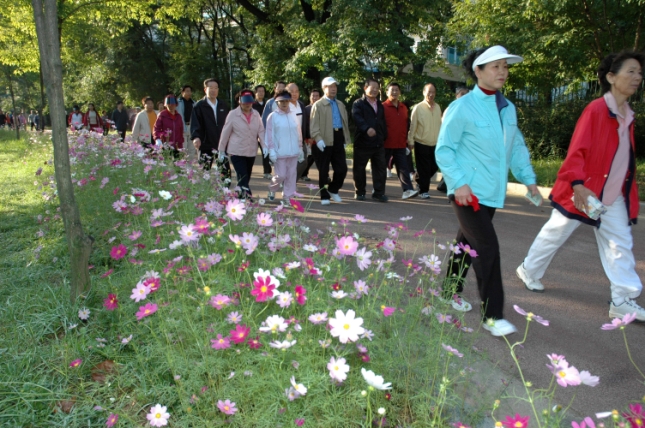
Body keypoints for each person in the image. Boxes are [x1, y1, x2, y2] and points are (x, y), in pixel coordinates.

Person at [516, 51, 645, 321]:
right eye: (630, 71)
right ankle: (529, 270)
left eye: (639, 73)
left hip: (612, 195)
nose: (637, 77)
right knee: (556, 233)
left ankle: (622, 299)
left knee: (619, 244)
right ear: (611, 77)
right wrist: (577, 184)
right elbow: (577, 150)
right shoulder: (597, 109)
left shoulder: (627, 114)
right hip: (583, 191)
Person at [436, 45, 541, 337]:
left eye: (505, 66)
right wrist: (458, 183)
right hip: (466, 193)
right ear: (477, 71)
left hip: (490, 192)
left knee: (466, 244)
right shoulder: (462, 107)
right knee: (487, 248)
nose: (503, 72)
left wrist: (529, 179)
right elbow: (444, 150)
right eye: (495, 66)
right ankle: (492, 315)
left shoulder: (507, 108)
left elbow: (516, 147)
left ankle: (448, 292)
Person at [218, 89, 266, 200]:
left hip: (251, 151)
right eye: (245, 102)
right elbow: (225, 133)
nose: (248, 104)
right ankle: (247, 197)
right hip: (236, 151)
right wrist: (221, 150)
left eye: (250, 102)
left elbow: (261, 131)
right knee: (242, 175)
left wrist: (265, 147)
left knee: (246, 176)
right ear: (239, 101)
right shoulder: (233, 114)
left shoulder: (256, 114)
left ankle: (239, 195)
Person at [310, 77, 350, 205]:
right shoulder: (318, 105)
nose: (333, 89)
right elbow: (314, 125)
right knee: (323, 169)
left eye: (335, 86)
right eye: (330, 86)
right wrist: (318, 138)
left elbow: (345, 122)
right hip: (324, 139)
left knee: (342, 169)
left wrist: (344, 138)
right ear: (324, 88)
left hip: (338, 137)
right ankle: (324, 195)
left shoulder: (340, 104)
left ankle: (333, 189)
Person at [351, 78, 388, 202]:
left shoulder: (380, 105)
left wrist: (383, 135)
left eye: (377, 88)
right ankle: (360, 192)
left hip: (378, 142)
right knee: (359, 169)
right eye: (372, 88)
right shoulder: (358, 103)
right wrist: (366, 129)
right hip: (362, 142)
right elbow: (357, 118)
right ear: (365, 88)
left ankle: (379, 192)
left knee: (380, 169)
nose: (375, 90)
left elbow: (382, 122)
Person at [266, 90, 303, 201]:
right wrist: (271, 150)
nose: (284, 103)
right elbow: (269, 134)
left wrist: (300, 147)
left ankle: (288, 196)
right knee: (281, 175)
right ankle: (272, 189)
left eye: (286, 100)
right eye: (281, 101)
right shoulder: (273, 116)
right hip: (280, 152)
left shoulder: (293, 114)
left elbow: (298, 131)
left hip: (293, 151)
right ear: (277, 102)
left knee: (291, 176)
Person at [383, 82, 418, 199]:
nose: (394, 92)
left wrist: (408, 141)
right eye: (392, 90)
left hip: (401, 144)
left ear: (400, 92)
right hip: (386, 143)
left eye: (397, 90)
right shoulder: (383, 107)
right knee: (381, 167)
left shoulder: (404, 108)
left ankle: (407, 190)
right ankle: (378, 189)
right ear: (387, 92)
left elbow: (406, 125)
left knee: (403, 167)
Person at [408, 83, 442, 199]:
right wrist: (410, 140)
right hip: (421, 142)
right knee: (425, 168)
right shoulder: (418, 107)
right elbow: (413, 125)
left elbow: (439, 124)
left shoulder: (437, 107)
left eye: (433, 92)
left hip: (435, 143)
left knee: (434, 166)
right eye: (429, 92)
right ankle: (424, 191)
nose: (431, 95)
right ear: (424, 92)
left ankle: (418, 178)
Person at [191, 78, 230, 171]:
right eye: (211, 88)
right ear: (205, 89)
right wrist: (196, 137)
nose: (213, 90)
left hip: (221, 143)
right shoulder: (199, 106)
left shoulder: (223, 105)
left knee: (225, 171)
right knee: (205, 172)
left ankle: (224, 186)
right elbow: (195, 123)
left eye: (216, 88)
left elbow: (228, 123)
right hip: (205, 143)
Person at [285, 83, 310, 182]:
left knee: (303, 162)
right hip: (288, 140)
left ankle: (291, 182)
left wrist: (307, 136)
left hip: (300, 139)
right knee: (289, 163)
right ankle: (288, 184)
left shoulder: (301, 104)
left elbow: (305, 122)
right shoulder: (284, 105)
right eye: (291, 92)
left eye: (296, 91)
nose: (294, 94)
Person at [300, 89, 321, 181]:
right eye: (313, 96)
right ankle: (303, 174)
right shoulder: (306, 109)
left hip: (320, 137)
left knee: (321, 158)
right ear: (310, 97)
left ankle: (324, 175)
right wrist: (307, 138)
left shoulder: (323, 108)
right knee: (309, 157)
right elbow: (305, 124)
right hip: (309, 139)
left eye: (317, 96)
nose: (315, 98)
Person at [253, 85, 272, 178]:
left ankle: (267, 172)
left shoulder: (267, 104)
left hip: (264, 132)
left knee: (266, 151)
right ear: (255, 93)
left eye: (262, 91)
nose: (261, 93)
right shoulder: (252, 105)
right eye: (259, 91)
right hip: (253, 132)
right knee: (251, 152)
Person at [177, 85, 196, 160]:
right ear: (182, 92)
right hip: (182, 127)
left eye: (190, 91)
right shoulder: (178, 102)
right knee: (183, 149)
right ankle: (182, 168)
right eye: (187, 91)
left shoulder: (194, 103)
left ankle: (189, 169)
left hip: (191, 127)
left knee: (191, 150)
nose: (189, 93)